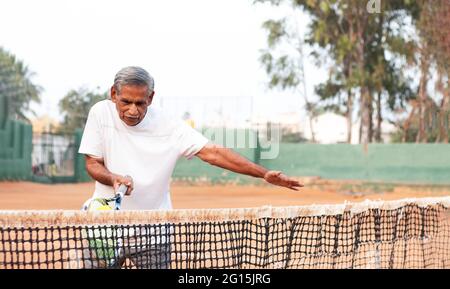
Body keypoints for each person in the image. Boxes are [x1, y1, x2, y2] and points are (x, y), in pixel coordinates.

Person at [78, 66, 303, 268]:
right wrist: (113, 178)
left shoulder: (170, 125)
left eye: (140, 103)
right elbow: (92, 163)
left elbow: (213, 153)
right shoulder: (100, 113)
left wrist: (263, 173)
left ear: (151, 97)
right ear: (113, 94)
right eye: (126, 101)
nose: (133, 110)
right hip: (104, 228)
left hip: (153, 232)